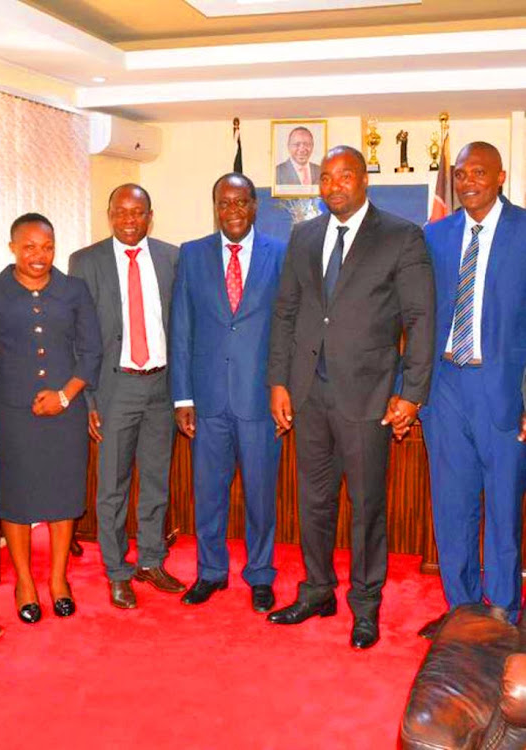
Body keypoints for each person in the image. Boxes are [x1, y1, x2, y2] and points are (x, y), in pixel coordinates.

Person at [267, 146, 435, 648]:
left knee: (366, 508)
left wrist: (411, 393)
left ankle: (365, 606)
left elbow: (420, 319)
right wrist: (278, 381)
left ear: (364, 181)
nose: (334, 185)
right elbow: (287, 312)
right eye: (326, 178)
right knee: (313, 502)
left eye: (345, 176)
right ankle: (318, 590)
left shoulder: (401, 236)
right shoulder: (304, 235)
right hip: (308, 393)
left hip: (369, 395)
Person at [418, 142, 526, 638]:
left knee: (503, 506)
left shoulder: (524, 231)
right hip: (445, 389)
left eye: (478, 173)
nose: (466, 182)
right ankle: (462, 610)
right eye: (460, 174)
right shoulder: (436, 235)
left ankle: (503, 613)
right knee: (452, 505)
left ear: (501, 176)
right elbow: (421, 317)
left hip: (500, 389)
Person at [172, 173, 286, 612]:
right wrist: (182, 397)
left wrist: (284, 390)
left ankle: (260, 575)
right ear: (215, 207)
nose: (232, 211)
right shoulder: (193, 254)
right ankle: (210, 572)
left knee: (260, 494)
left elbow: (288, 327)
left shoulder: (280, 253)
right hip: (207, 399)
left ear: (254, 206)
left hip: (260, 399)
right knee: (209, 493)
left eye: (241, 202)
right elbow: (182, 329)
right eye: (224, 203)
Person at [69, 184, 185, 610]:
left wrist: (183, 393)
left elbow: (182, 327)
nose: (129, 220)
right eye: (121, 212)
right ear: (110, 214)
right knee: (112, 489)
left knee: (156, 482)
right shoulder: (85, 262)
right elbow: (77, 337)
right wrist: (88, 399)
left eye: (138, 213)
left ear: (150, 216)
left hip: (162, 385)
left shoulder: (172, 258)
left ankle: (151, 561)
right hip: (114, 388)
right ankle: (117, 572)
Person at [0, 213, 102, 623]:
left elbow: (91, 351)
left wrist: (64, 395)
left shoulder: (73, 290)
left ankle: (58, 580)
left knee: (63, 494)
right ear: (12, 248)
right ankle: (24, 582)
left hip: (65, 410)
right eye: (30, 246)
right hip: (11, 411)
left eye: (47, 247)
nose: (39, 255)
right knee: (16, 497)